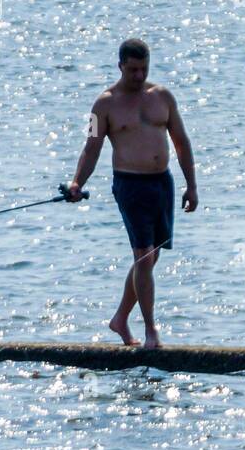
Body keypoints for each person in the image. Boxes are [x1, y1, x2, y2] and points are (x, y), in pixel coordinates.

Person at [66, 38, 198, 348]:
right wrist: (76, 183)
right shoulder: (104, 104)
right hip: (130, 184)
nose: (138, 76)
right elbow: (92, 148)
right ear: (120, 66)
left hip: (162, 183)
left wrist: (191, 185)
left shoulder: (162, 96)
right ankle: (151, 330)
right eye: (132, 70)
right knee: (143, 255)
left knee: (150, 260)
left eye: (143, 70)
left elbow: (182, 142)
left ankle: (120, 319)